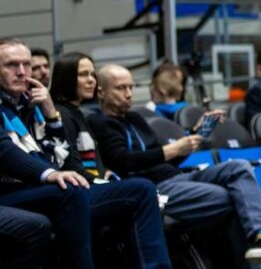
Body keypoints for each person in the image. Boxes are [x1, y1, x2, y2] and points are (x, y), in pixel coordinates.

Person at [90, 64, 261, 266]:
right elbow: (123, 161)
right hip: (153, 189)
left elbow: (163, 159)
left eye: (131, 87)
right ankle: (255, 251)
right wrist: (172, 149)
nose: (128, 93)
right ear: (101, 92)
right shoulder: (99, 123)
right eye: (120, 88)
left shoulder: (135, 119)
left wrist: (193, 138)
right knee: (236, 199)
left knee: (238, 166)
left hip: (177, 176)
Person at [0, 40, 172, 269]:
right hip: (10, 192)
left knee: (142, 189)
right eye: (12, 65)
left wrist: (51, 115)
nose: (22, 72)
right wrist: (48, 173)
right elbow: (5, 151)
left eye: (26, 64)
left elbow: (59, 158)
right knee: (71, 191)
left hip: (39, 188)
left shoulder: (31, 105)